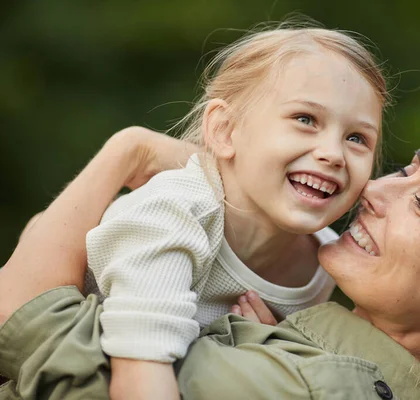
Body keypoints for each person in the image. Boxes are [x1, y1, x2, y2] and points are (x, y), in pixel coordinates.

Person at [1, 111, 420, 399]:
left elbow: (25, 322)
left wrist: (125, 153)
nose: (373, 189)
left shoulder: (313, 387)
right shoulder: (311, 359)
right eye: (406, 169)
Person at [78, 25, 388, 399]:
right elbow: (139, 378)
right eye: (305, 119)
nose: (333, 154)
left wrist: (272, 351)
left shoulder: (327, 261)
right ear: (225, 130)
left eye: (357, 138)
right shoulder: (173, 213)